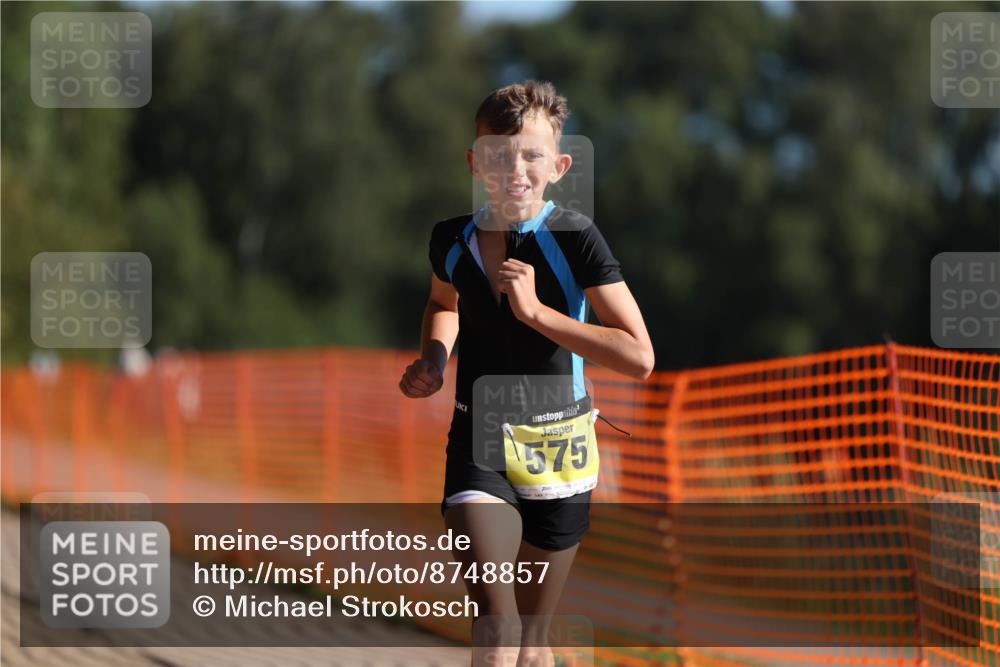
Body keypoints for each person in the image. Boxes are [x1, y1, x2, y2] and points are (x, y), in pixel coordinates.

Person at [399, 80, 654, 667]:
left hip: (560, 449)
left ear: (559, 166)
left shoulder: (576, 239)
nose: (515, 167)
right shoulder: (450, 239)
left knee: (533, 645)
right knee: (497, 625)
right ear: (475, 161)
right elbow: (444, 305)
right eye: (499, 154)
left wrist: (537, 314)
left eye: (532, 154)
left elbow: (638, 356)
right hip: (478, 442)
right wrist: (434, 361)